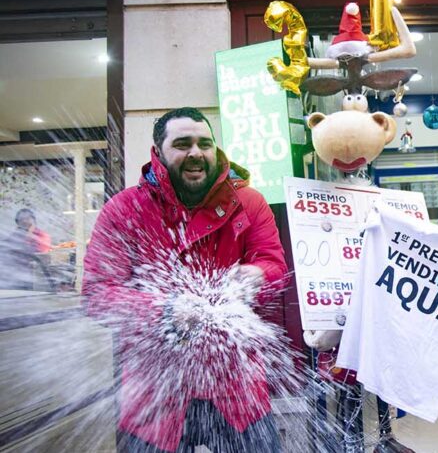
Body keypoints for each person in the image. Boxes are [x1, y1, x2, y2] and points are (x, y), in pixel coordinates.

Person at [82, 107, 288, 453]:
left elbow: (274, 266)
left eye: (204, 143)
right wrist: (165, 311)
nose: (196, 153)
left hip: (237, 386)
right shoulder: (124, 209)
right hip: (155, 392)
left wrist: (257, 275)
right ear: (159, 152)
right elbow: (97, 295)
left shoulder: (249, 203)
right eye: (182, 144)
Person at [1, 208, 52, 290]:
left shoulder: (41, 235)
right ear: (17, 223)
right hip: (14, 275)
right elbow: (6, 248)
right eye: (21, 219)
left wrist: (29, 236)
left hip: (34, 276)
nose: (25, 221)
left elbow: (41, 252)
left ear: (34, 220)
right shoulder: (16, 235)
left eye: (28, 218)